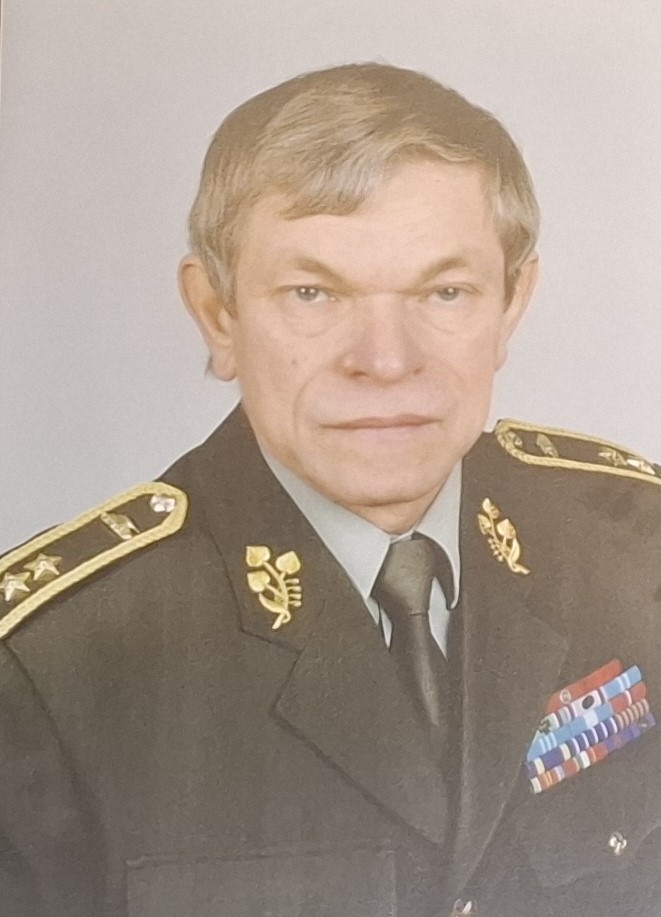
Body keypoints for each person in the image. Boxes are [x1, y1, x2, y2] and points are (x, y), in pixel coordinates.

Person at [1, 63, 660, 917]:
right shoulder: (50, 670)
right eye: (312, 293)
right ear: (218, 314)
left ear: (509, 304)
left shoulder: (627, 547)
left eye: (445, 291)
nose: (385, 360)